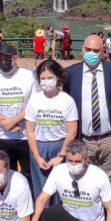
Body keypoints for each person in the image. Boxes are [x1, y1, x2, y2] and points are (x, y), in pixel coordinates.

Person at [65, 35, 111, 178]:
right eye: (88, 49)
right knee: (84, 178)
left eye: (96, 50)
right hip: (83, 139)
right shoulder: (70, 73)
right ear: (83, 49)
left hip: (108, 139)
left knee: (108, 179)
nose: (92, 53)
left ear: (102, 51)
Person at [0, 44, 36, 189]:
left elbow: (33, 104)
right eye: (0, 58)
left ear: (15, 58)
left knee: (28, 173)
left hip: (25, 136)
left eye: (7, 58)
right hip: (2, 136)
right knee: (6, 173)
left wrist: (14, 121)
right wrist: (4, 122)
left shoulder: (28, 76)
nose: (3, 61)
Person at [26, 59, 78, 198]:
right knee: (41, 188)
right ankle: (41, 217)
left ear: (58, 77)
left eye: (50, 78)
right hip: (39, 147)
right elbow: (30, 131)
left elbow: (72, 131)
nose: (46, 82)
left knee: (59, 187)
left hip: (60, 145)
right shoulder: (34, 100)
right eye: (43, 78)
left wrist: (60, 155)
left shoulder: (67, 100)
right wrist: (37, 156)